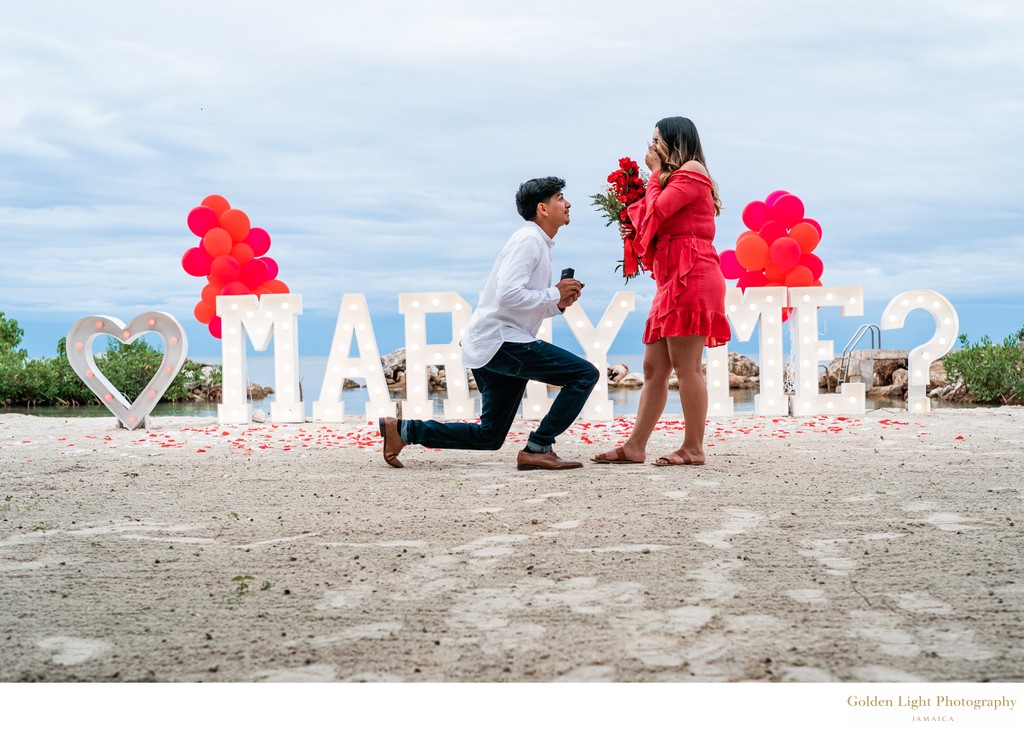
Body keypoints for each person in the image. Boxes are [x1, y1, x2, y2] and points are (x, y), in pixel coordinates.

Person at [380, 176, 599, 471]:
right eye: (560, 198)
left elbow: (516, 303)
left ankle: (402, 430)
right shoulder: (529, 240)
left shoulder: (538, 243)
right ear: (542, 208)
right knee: (584, 375)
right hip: (502, 342)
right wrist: (553, 293)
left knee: (489, 436)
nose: (568, 203)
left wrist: (558, 304)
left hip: (493, 342)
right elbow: (508, 295)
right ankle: (539, 447)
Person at [593, 116, 730, 466]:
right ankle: (635, 446)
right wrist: (634, 229)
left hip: (693, 273)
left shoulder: (693, 171)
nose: (651, 146)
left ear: (675, 141)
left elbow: (658, 209)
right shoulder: (673, 179)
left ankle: (693, 448)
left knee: (687, 367)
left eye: (656, 140)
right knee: (654, 367)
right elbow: (654, 221)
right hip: (671, 279)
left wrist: (654, 173)